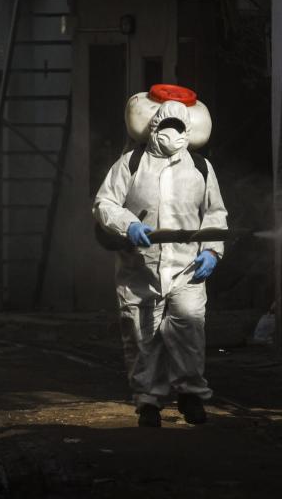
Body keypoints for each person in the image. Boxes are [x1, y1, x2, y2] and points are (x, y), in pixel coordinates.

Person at [93, 98, 228, 427]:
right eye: (165, 126)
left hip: (188, 268)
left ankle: (191, 395)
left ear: (188, 130)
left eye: (179, 127)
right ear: (153, 127)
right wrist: (129, 225)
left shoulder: (200, 168)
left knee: (190, 331)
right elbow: (105, 203)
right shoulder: (131, 163)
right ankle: (148, 401)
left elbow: (215, 213)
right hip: (140, 267)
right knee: (143, 335)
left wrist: (211, 251)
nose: (172, 133)